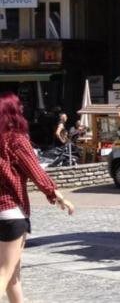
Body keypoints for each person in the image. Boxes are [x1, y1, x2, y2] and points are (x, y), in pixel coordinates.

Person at [0, 92, 74, 302]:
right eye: (20, 106)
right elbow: (36, 171)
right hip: (11, 212)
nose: (23, 109)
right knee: (5, 271)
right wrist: (58, 196)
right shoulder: (15, 139)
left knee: (13, 274)